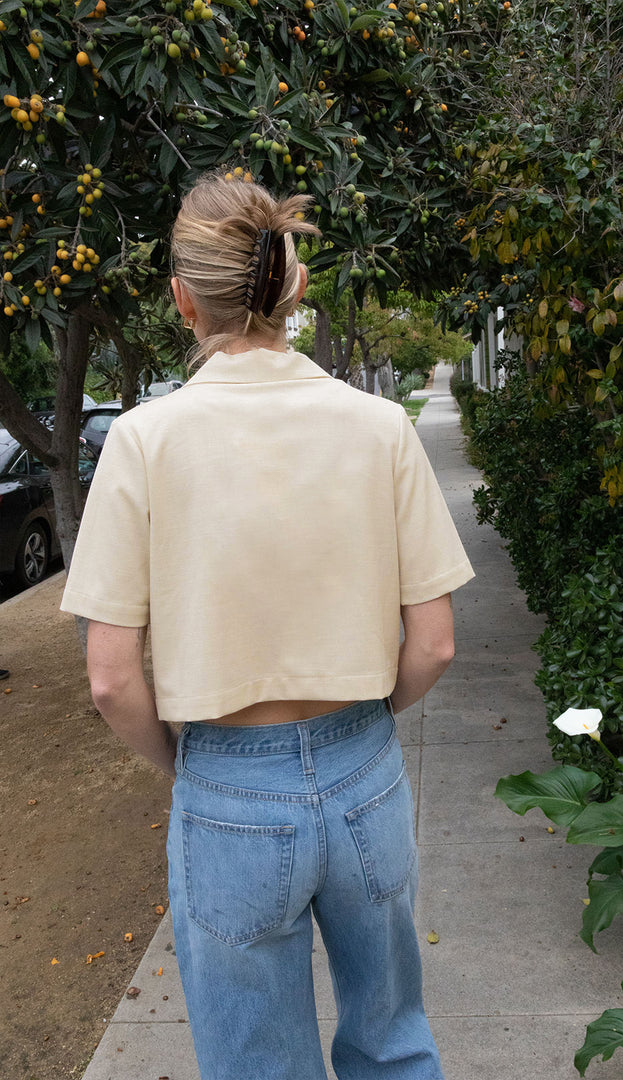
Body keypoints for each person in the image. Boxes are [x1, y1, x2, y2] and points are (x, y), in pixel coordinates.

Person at [61, 173, 474, 1080]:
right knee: (395, 1044)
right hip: (365, 770)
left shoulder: (143, 442)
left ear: (183, 299)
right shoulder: (379, 428)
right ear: (292, 287)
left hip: (228, 789)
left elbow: (110, 676)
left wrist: (192, 763)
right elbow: (435, 640)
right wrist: (364, 720)